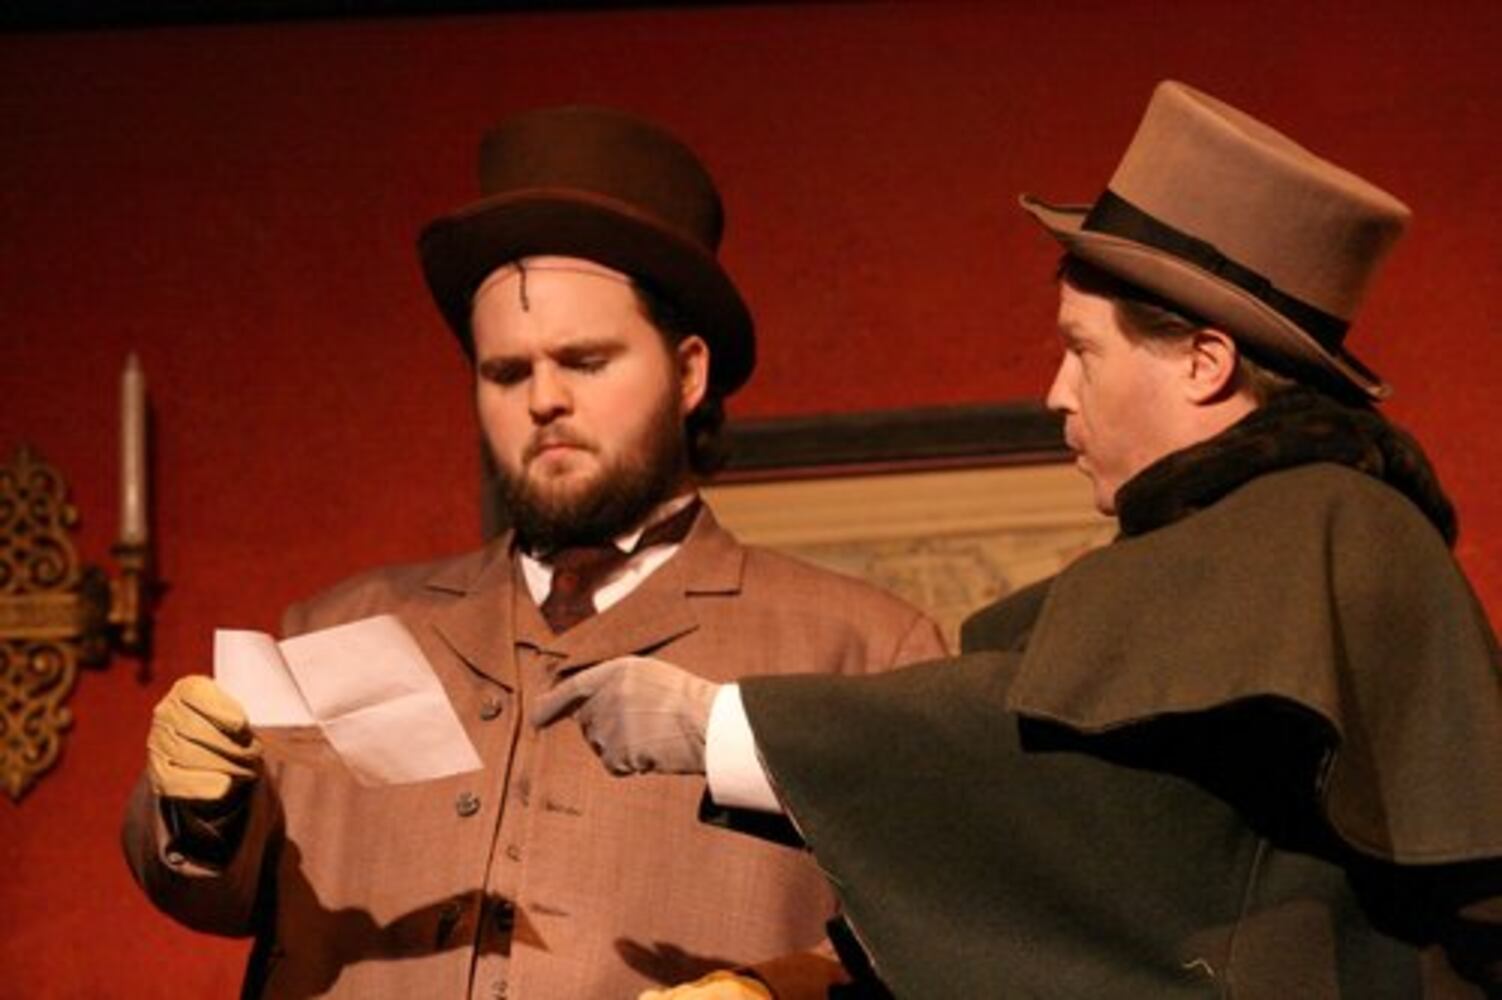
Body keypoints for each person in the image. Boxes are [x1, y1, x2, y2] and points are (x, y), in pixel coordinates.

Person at [535, 82, 1502, 997]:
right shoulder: (1266, 537)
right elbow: (1129, 849)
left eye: (1082, 350)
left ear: (1204, 363)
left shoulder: (1311, 530)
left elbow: (1037, 757)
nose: (1056, 393)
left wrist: (714, 725)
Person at [121, 105, 946, 1000]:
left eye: (585, 361)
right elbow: (209, 889)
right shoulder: (336, 627)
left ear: (689, 371)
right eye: (507, 372)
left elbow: (944, 941)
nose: (543, 399)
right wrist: (196, 805)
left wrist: (778, 994)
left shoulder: (863, 653)